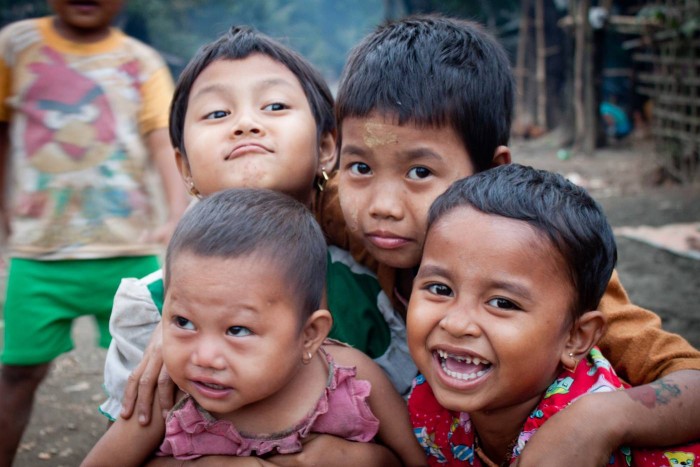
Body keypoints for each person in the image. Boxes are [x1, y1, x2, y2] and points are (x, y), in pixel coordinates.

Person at [321, 14, 700, 465]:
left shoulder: (550, 264)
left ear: (491, 171)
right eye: (360, 167)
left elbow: (689, 377)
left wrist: (598, 420)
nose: (382, 205)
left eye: (420, 172)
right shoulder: (355, 213)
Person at [101, 25, 415, 464]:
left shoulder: (366, 292)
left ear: (327, 147)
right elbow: (125, 446)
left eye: (274, 105)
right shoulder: (151, 306)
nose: (247, 124)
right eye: (216, 114)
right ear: (183, 166)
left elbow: (407, 437)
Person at [83, 188, 423, 466]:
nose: (204, 357)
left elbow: (416, 462)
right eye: (183, 322)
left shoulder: (352, 380)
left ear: (309, 335)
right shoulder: (168, 396)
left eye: (237, 330)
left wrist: (359, 460)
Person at [406, 163, 700, 465]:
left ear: (576, 337)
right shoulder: (429, 396)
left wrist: (595, 422)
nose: (456, 323)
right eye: (440, 289)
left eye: (502, 303)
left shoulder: (598, 442)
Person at [0, 1, 189, 464]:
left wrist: (176, 211)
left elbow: (161, 142)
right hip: (41, 252)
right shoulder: (16, 47)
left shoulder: (141, 62)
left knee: (140, 380)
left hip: (129, 253)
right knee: (18, 372)